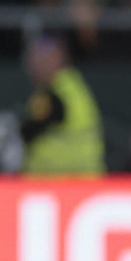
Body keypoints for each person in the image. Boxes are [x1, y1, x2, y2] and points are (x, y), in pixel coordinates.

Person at [20, 36, 104, 176]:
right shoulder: (72, 86)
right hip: (77, 179)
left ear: (60, 59)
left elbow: (29, 129)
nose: (36, 65)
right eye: (34, 59)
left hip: (65, 182)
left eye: (43, 59)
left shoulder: (58, 92)